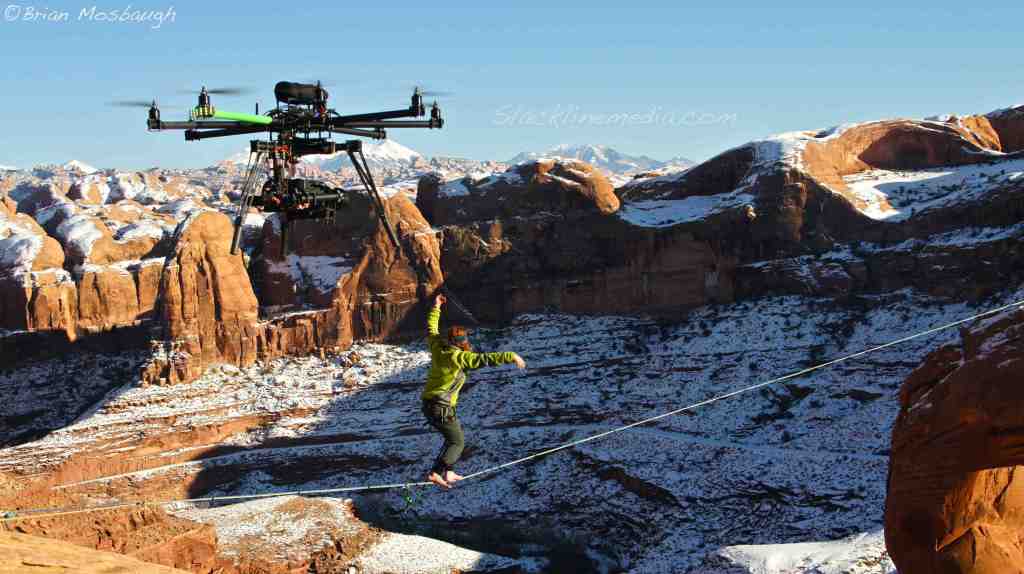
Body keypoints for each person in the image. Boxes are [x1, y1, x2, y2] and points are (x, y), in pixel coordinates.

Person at [422, 293, 526, 488]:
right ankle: (435, 473)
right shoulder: (459, 357)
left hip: (429, 405)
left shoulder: (437, 346)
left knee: (452, 439)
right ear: (462, 342)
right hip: (441, 407)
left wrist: (436, 307)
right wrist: (511, 356)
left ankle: (448, 472)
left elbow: (431, 328)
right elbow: (484, 359)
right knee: (458, 442)